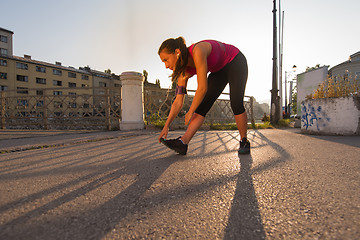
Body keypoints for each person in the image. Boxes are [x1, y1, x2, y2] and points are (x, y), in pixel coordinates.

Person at [158, 37, 250, 155]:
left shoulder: (198, 51)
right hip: (218, 71)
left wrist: (190, 111)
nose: (166, 66)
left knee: (236, 103)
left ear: (177, 52)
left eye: (166, 60)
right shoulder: (183, 74)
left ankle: (244, 141)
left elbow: (202, 88)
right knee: (202, 107)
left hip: (235, 61)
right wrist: (166, 126)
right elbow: (178, 101)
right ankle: (183, 143)